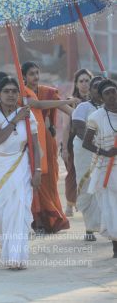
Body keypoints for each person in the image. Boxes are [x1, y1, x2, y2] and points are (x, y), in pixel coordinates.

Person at [0, 76, 42, 270]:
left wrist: (37, 170)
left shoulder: (27, 114)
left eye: (14, 91)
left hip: (20, 164)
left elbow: (35, 146)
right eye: (6, 91)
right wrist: (16, 119)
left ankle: (15, 257)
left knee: (17, 208)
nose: (10, 95)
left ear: (19, 94)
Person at [21, 61, 73, 234]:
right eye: (31, 74)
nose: (35, 77)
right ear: (24, 76)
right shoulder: (21, 93)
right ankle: (39, 221)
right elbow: (38, 105)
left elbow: (67, 110)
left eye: (37, 73)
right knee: (34, 179)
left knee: (49, 181)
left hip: (47, 141)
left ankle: (51, 219)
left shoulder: (47, 92)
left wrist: (82, 113)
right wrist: (69, 100)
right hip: (30, 141)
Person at [82, 79, 117, 258]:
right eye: (107, 93)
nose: (111, 96)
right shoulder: (96, 117)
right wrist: (106, 152)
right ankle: (116, 247)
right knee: (112, 209)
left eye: (114, 91)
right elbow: (86, 143)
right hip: (106, 170)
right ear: (101, 97)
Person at [72, 76, 104, 241]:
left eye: (101, 86)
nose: (98, 90)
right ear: (90, 90)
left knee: (106, 187)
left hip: (107, 152)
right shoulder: (83, 107)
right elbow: (79, 130)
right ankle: (90, 228)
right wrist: (97, 146)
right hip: (86, 151)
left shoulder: (111, 109)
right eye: (95, 86)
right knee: (87, 187)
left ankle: (108, 227)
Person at [63, 69, 93, 217]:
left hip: (93, 141)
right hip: (73, 142)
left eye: (87, 80)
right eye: (81, 81)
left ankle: (89, 205)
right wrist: (64, 149)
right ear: (76, 84)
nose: (84, 84)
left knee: (91, 172)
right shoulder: (71, 101)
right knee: (72, 173)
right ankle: (70, 204)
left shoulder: (97, 101)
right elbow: (66, 126)